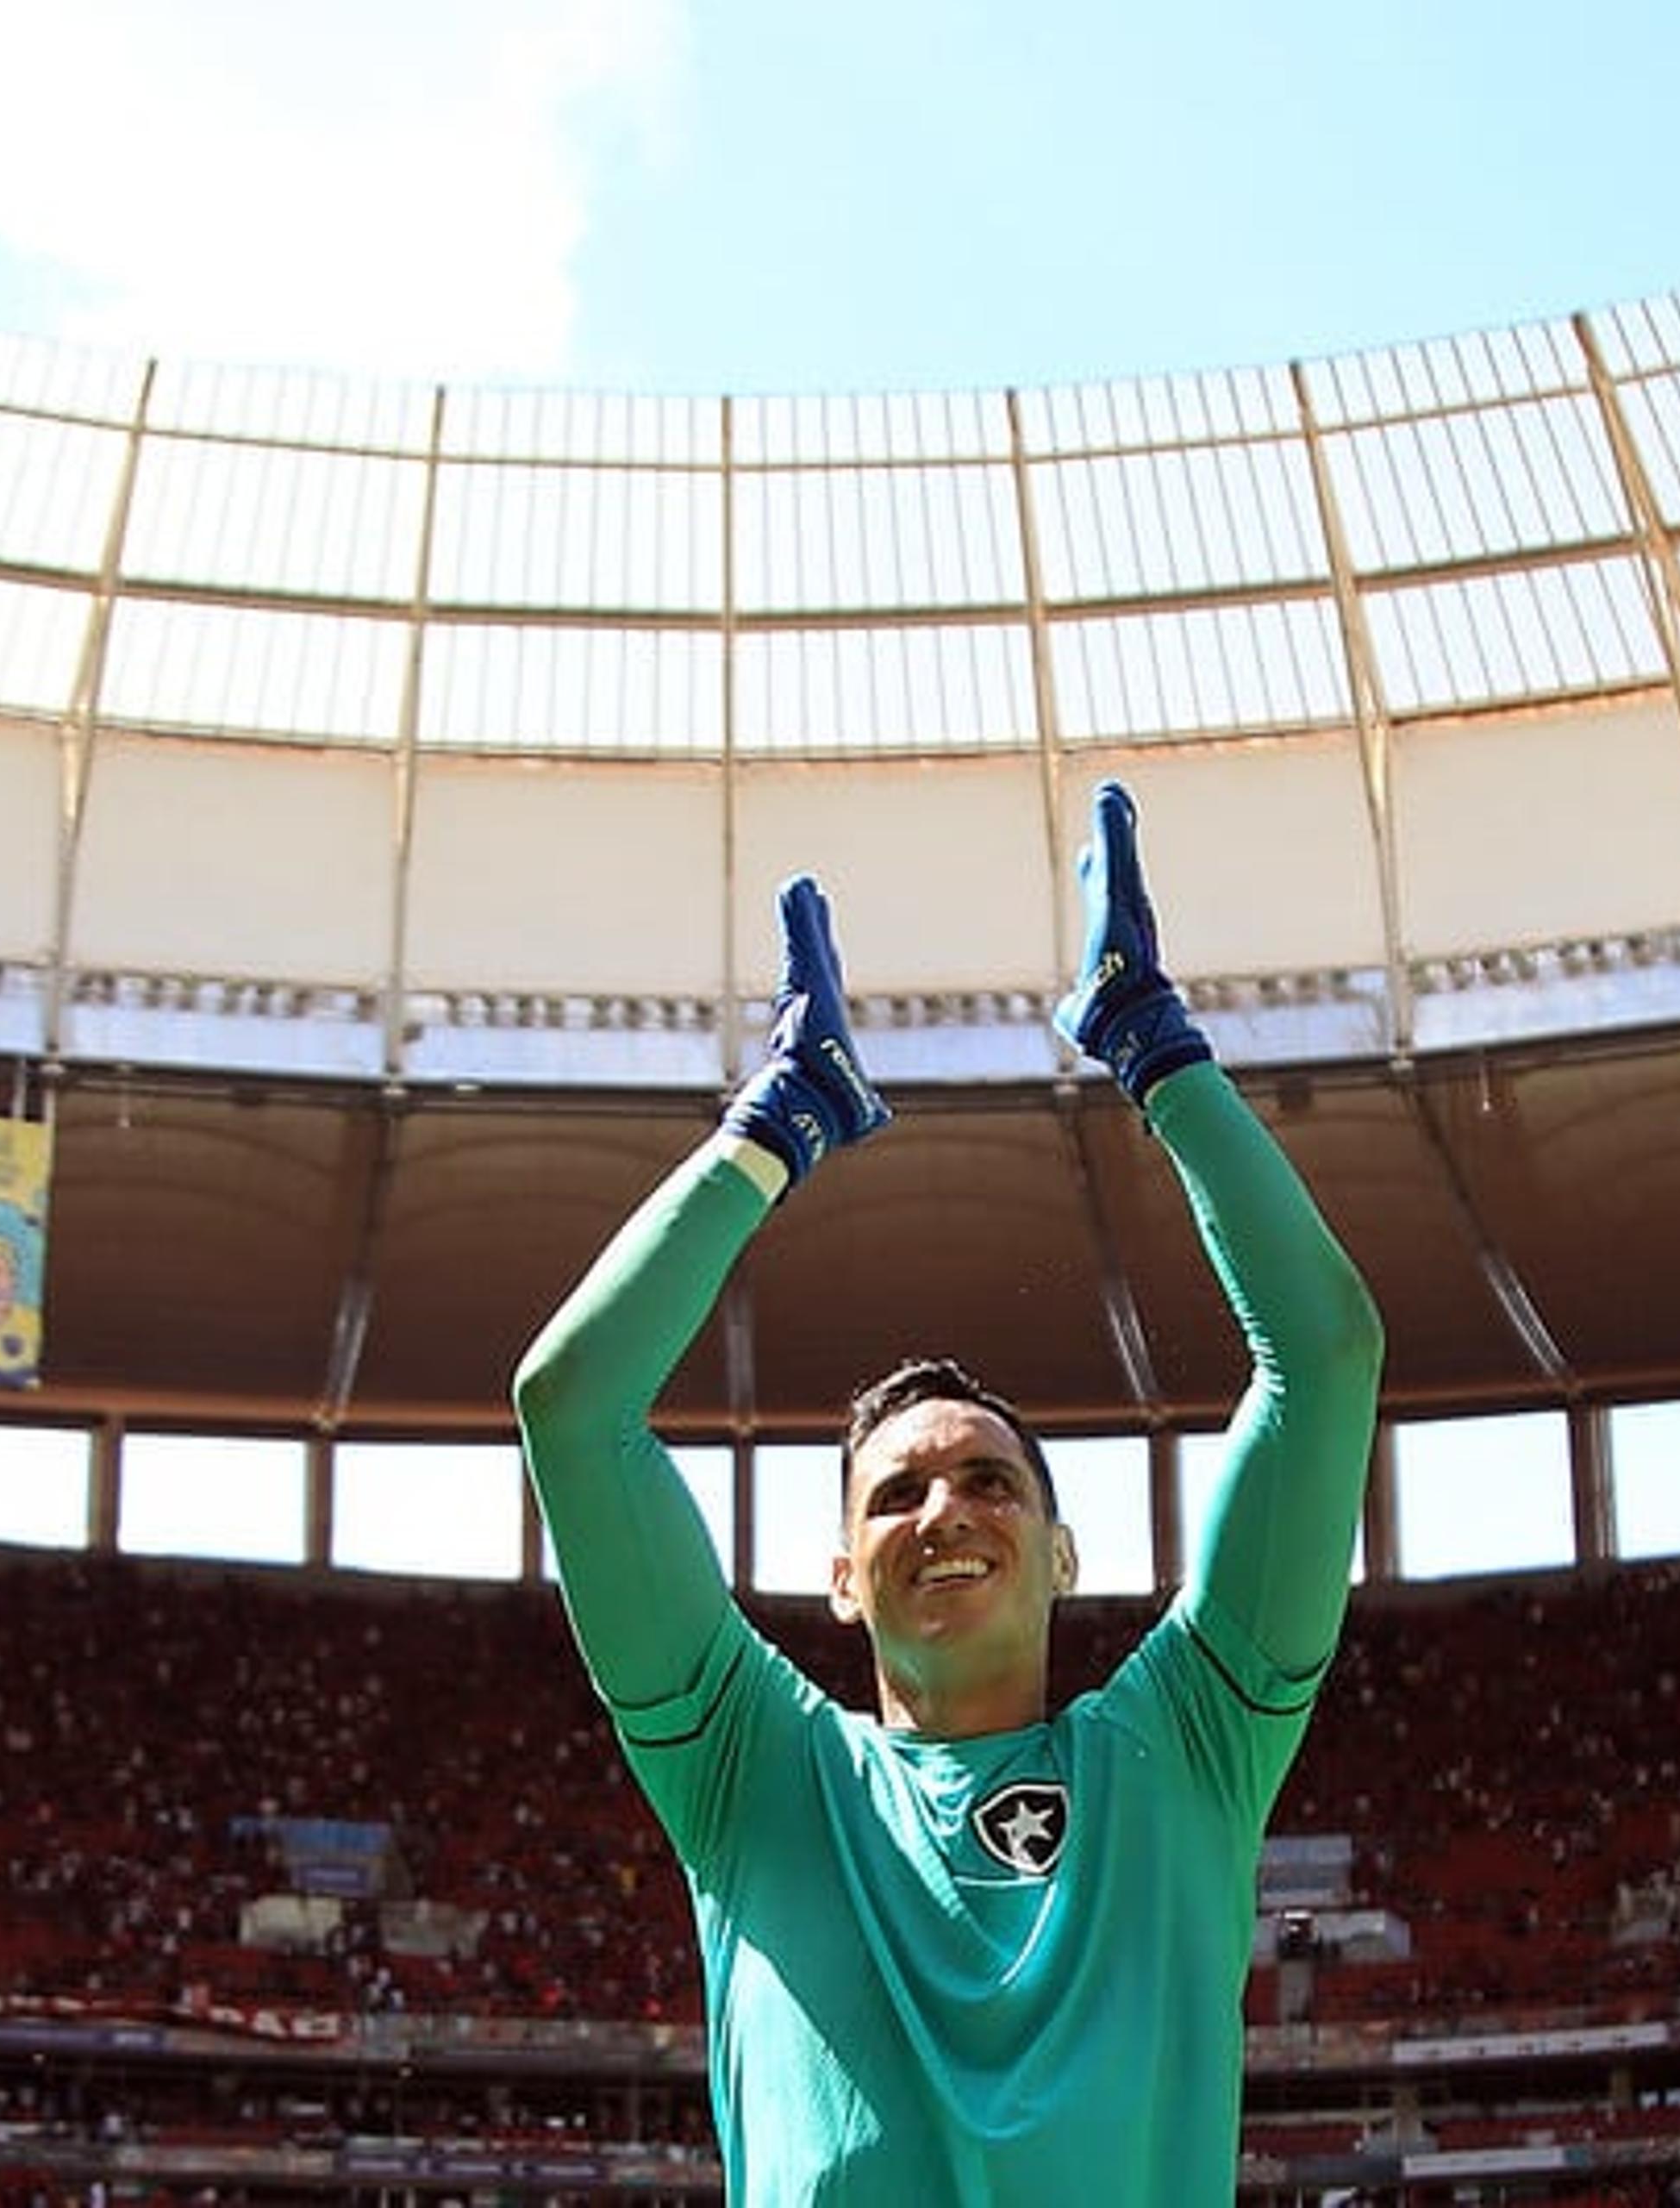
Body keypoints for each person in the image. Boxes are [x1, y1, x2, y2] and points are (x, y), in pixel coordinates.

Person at [513, 782, 1384, 2203]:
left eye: (987, 1479)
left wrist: (1158, 1050)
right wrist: (770, 1132)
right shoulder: (759, 1773)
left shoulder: (1192, 1744)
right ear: (842, 1579)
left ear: (1062, 1553)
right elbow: (572, 1405)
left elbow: (1328, 1353)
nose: (942, 1509)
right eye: (893, 1495)